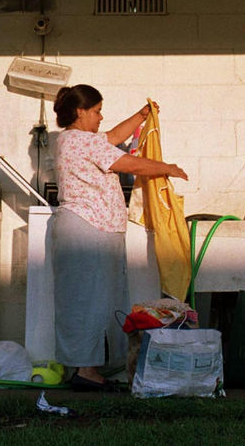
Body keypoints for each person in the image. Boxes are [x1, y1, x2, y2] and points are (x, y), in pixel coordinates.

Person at [50, 84, 189, 391]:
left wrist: (141, 116)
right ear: (80, 112)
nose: (101, 117)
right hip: (87, 229)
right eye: (97, 111)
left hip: (92, 229)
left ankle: (88, 369)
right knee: (89, 301)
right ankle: (86, 372)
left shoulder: (74, 140)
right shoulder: (79, 141)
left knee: (92, 300)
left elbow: (113, 138)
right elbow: (129, 162)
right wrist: (168, 169)